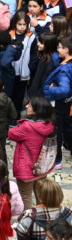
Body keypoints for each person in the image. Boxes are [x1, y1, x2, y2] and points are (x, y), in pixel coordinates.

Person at [43, 36, 72, 168]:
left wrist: (50, 89)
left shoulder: (64, 70)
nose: (57, 49)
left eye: (60, 47)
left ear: (66, 50)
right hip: (68, 103)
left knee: (58, 130)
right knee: (68, 128)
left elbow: (63, 90)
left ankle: (58, 160)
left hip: (60, 104)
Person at [9, 11, 38, 112]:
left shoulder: (32, 37)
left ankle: (16, 114)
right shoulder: (9, 35)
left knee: (19, 95)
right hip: (11, 71)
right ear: (15, 24)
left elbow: (34, 55)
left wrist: (30, 68)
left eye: (24, 24)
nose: (22, 27)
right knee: (10, 93)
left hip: (23, 72)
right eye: (19, 24)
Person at [28, 33, 59, 98]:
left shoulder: (50, 62)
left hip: (39, 95)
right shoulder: (43, 57)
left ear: (49, 45)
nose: (38, 44)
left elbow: (44, 81)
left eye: (41, 43)